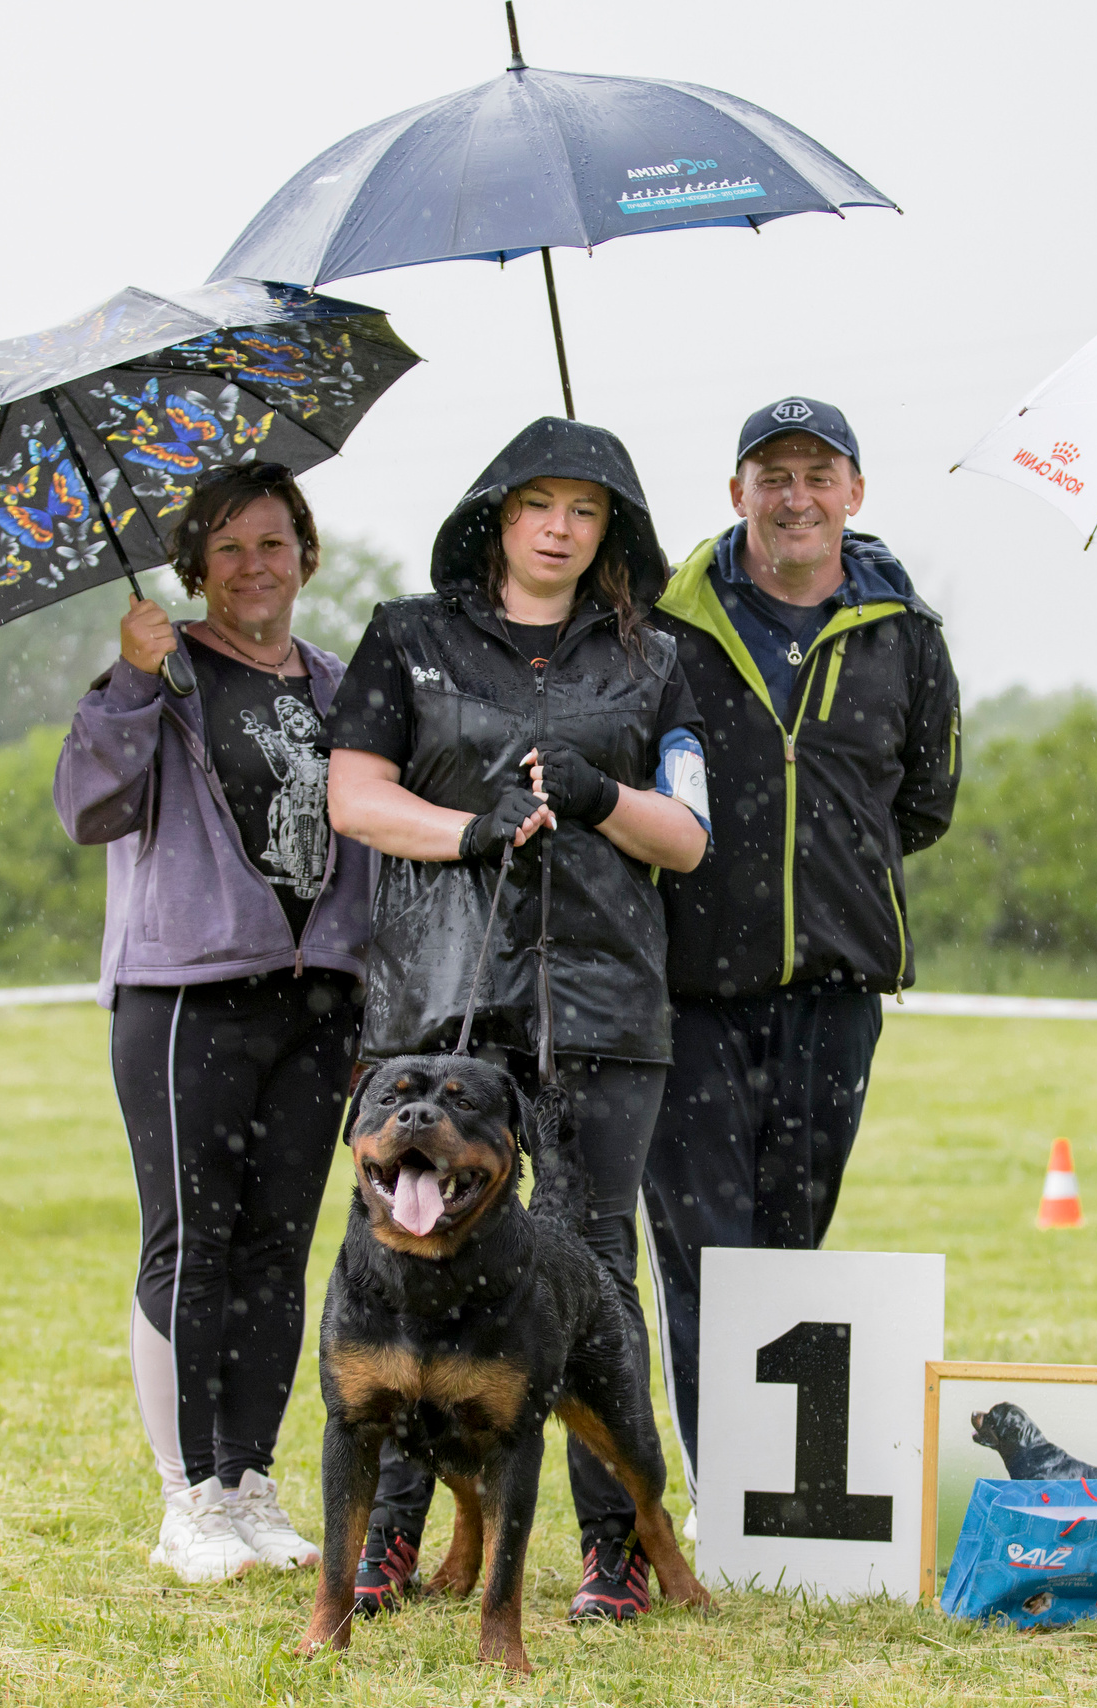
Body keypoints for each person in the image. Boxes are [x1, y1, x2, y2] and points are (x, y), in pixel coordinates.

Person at [326, 417, 711, 1623]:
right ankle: (386, 1541)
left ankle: (615, 1550)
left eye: (585, 510)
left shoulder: (660, 662)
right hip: (438, 1019)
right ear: (494, 512)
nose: (558, 526)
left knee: (595, 1269)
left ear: (612, 532)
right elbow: (353, 795)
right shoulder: (406, 637)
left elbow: (689, 838)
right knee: (402, 1268)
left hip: (603, 1006)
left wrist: (604, 798)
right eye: (537, 502)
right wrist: (468, 831)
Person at [53, 463, 376, 1585]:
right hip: (185, 993)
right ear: (197, 564)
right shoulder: (161, 668)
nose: (253, 566)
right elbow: (87, 806)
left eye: (274, 543)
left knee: (279, 1247)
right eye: (230, 547)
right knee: (193, 1242)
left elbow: (365, 833)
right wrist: (133, 683)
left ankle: (248, 1481)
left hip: (318, 997)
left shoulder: (338, 685)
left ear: (305, 555)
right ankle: (186, 1495)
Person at [641, 398, 963, 1502]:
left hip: (836, 992)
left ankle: (779, 1488)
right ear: (735, 493)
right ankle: (717, 1487)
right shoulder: (660, 625)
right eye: (770, 475)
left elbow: (922, 803)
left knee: (786, 1247)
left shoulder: (905, 634)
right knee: (703, 1253)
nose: (795, 497)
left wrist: (823, 874)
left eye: (817, 475)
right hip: (685, 993)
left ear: (854, 495)